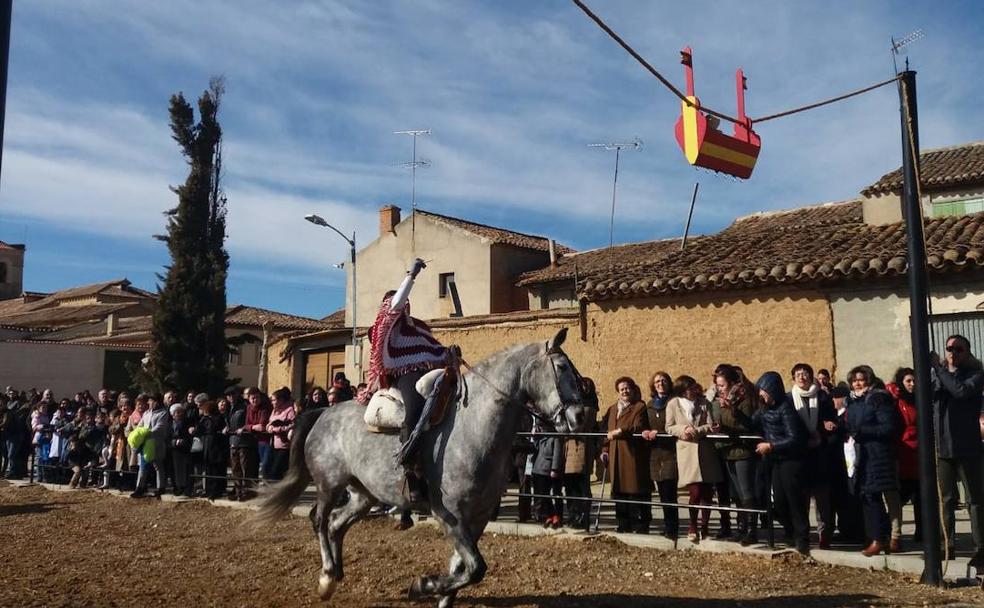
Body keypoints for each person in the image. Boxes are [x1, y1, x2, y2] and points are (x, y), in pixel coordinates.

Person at [364, 257, 450, 503]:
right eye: (400, 304)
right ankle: (410, 468)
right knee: (413, 414)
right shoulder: (384, 326)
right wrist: (411, 276)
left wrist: (449, 352)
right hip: (404, 375)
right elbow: (397, 302)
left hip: (428, 372)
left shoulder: (418, 327)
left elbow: (433, 349)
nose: (404, 307)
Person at [735, 372, 811, 555]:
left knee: (794, 499)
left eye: (764, 391)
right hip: (775, 460)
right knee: (779, 500)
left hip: (790, 460)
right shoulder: (764, 409)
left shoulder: (786, 408)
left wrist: (771, 445)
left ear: (772, 391)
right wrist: (735, 410)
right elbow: (752, 424)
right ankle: (789, 532)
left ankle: (802, 538)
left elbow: (795, 437)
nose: (761, 395)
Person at [931, 334, 984, 567]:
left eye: (958, 349)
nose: (952, 352)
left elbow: (960, 391)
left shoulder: (976, 375)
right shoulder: (939, 376)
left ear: (967, 352)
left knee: (975, 499)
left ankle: (980, 546)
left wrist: (940, 370)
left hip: (968, 448)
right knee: (946, 499)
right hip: (943, 449)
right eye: (949, 348)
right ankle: (948, 544)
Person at [845, 365, 898, 557]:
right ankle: (874, 536)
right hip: (859, 455)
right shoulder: (851, 402)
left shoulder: (878, 398)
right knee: (865, 495)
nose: (858, 383)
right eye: (854, 380)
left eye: (861, 379)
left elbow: (887, 428)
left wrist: (863, 432)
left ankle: (879, 538)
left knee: (873, 495)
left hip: (876, 455)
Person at [666, 375, 722, 542]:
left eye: (693, 387)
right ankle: (692, 525)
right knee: (694, 491)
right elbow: (669, 427)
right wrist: (683, 429)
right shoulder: (673, 404)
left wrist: (698, 430)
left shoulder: (704, 403)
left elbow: (710, 425)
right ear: (682, 390)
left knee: (707, 492)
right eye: (688, 388)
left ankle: (704, 526)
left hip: (705, 450)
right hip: (687, 451)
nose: (692, 391)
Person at [789, 363, 839, 549]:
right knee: (800, 498)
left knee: (823, 498)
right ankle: (802, 534)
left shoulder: (823, 397)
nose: (802, 378)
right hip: (800, 454)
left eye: (806, 374)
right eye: (798, 374)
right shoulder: (789, 399)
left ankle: (825, 535)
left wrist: (828, 425)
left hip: (820, 454)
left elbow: (833, 418)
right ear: (793, 378)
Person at [713, 364, 760, 546]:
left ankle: (752, 530)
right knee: (737, 494)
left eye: (722, 385)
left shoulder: (744, 398)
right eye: (717, 386)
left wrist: (733, 410)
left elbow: (748, 424)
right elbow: (724, 422)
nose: (720, 389)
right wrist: (718, 427)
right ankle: (742, 528)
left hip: (743, 451)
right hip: (728, 450)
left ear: (732, 383)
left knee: (747, 491)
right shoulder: (722, 401)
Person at [601, 376, 652, 533]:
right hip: (615, 456)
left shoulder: (639, 407)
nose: (624, 391)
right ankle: (623, 524)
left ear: (632, 389)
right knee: (619, 493)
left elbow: (638, 427)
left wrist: (621, 431)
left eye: (627, 388)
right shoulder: (612, 409)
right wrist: (604, 450)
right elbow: (605, 431)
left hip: (632, 456)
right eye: (621, 389)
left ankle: (640, 525)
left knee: (635, 491)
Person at [884, 367, 920, 550]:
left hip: (918, 452)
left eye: (914, 381)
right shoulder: (895, 401)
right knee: (900, 495)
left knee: (921, 496)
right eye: (908, 381)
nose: (912, 385)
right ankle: (892, 534)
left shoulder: (919, 399)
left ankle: (923, 532)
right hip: (902, 451)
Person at [643, 371, 679, 540]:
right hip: (655, 453)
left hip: (671, 452)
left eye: (664, 380)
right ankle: (667, 525)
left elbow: (677, 425)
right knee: (662, 492)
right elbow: (644, 424)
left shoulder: (675, 402)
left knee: (670, 491)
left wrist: (661, 432)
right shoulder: (650, 405)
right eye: (657, 381)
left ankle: (672, 528)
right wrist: (645, 431)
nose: (660, 383)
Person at [561, 377, 599, 531]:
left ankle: (582, 518)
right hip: (570, 449)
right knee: (571, 486)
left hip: (580, 449)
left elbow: (577, 427)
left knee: (580, 486)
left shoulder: (589, 407)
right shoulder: (575, 406)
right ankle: (573, 516)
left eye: (585, 386)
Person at [132, 394, 170, 498]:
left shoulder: (163, 413)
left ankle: (160, 488)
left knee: (158, 465)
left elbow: (160, 427)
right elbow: (140, 425)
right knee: (143, 466)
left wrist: (146, 433)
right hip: (146, 443)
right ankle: (139, 488)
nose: (149, 403)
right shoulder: (146, 413)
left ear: (156, 402)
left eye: (151, 401)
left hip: (156, 443)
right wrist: (138, 433)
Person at [531, 417, 565, 529]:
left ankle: (554, 516)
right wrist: (535, 437)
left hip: (547, 469)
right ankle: (550, 516)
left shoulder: (555, 437)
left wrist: (554, 469)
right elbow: (536, 447)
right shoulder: (542, 436)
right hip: (538, 468)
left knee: (545, 494)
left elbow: (557, 453)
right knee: (541, 495)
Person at [195, 400, 228, 499]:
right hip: (207, 446)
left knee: (216, 469)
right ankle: (208, 489)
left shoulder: (218, 418)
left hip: (216, 447)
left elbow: (213, 429)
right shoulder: (204, 419)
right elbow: (200, 430)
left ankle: (216, 490)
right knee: (208, 469)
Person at [265, 387, 296, 481]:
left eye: (274, 400)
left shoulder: (289, 410)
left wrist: (276, 429)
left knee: (277, 471)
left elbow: (293, 425)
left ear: (281, 400)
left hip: (284, 445)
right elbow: (269, 423)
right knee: (267, 469)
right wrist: (268, 428)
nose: (272, 402)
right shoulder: (274, 411)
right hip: (273, 444)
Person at [170, 404, 193, 497]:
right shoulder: (169, 424)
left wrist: (184, 441)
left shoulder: (187, 422)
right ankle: (178, 487)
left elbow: (190, 435)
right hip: (174, 449)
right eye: (177, 412)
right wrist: (174, 442)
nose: (179, 414)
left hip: (185, 448)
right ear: (172, 414)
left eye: (181, 412)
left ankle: (187, 488)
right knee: (176, 469)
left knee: (186, 469)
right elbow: (167, 436)